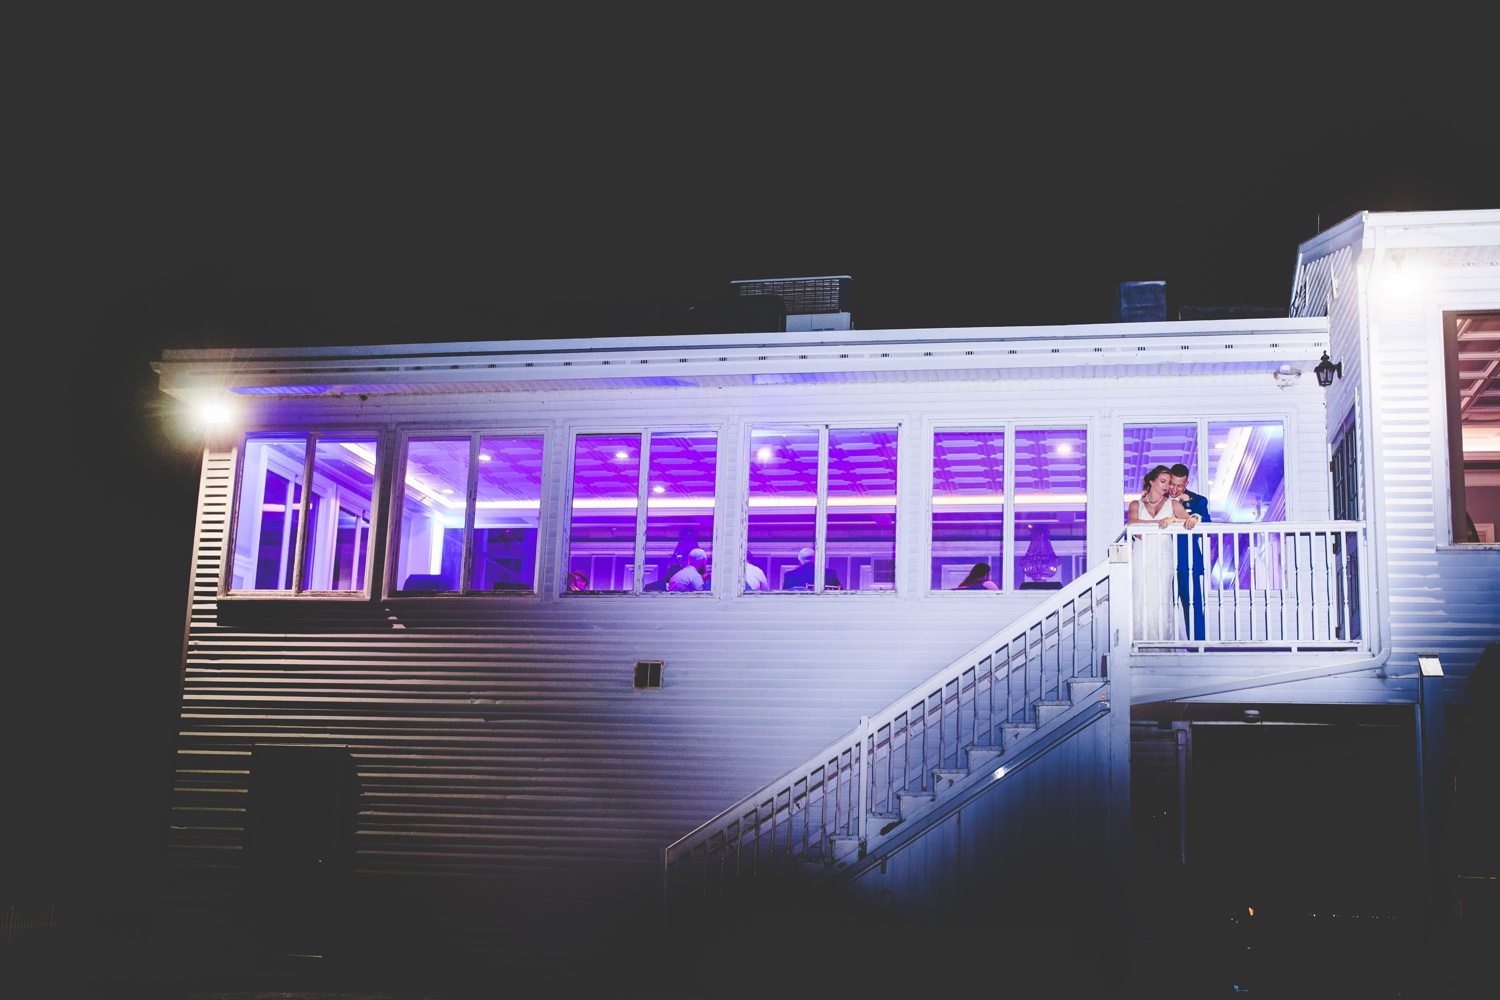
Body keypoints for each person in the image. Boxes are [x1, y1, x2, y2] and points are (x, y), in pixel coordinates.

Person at [1128, 465, 1197, 641]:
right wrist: (1159, 523)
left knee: (1161, 596)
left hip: (1163, 555)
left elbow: (1188, 520)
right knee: (1140, 595)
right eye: (1163, 481)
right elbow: (1133, 524)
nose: (1167, 486)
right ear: (1151, 481)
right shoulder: (1136, 504)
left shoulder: (1173, 504)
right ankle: (1139, 640)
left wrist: (1172, 520)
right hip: (1141, 556)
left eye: (1169, 482)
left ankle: (1162, 640)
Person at [1168, 463, 1211, 641]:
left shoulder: (1198, 500)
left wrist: (1194, 517)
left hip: (1188, 561)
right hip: (1162, 558)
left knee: (1193, 604)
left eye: (1180, 485)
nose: (1175, 489)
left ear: (1186, 483)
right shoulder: (1158, 499)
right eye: (1172, 484)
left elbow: (1207, 522)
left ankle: (1198, 646)